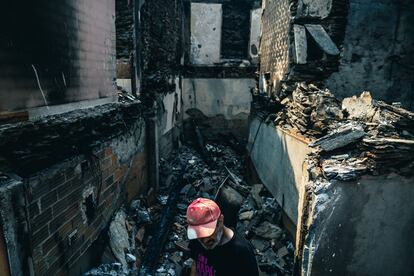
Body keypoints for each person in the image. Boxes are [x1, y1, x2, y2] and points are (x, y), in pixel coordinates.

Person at [186, 197, 259, 276]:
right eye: (199, 234)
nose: (204, 241)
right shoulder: (197, 238)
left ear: (220, 220)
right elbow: (195, 263)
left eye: (208, 233)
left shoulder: (241, 251)